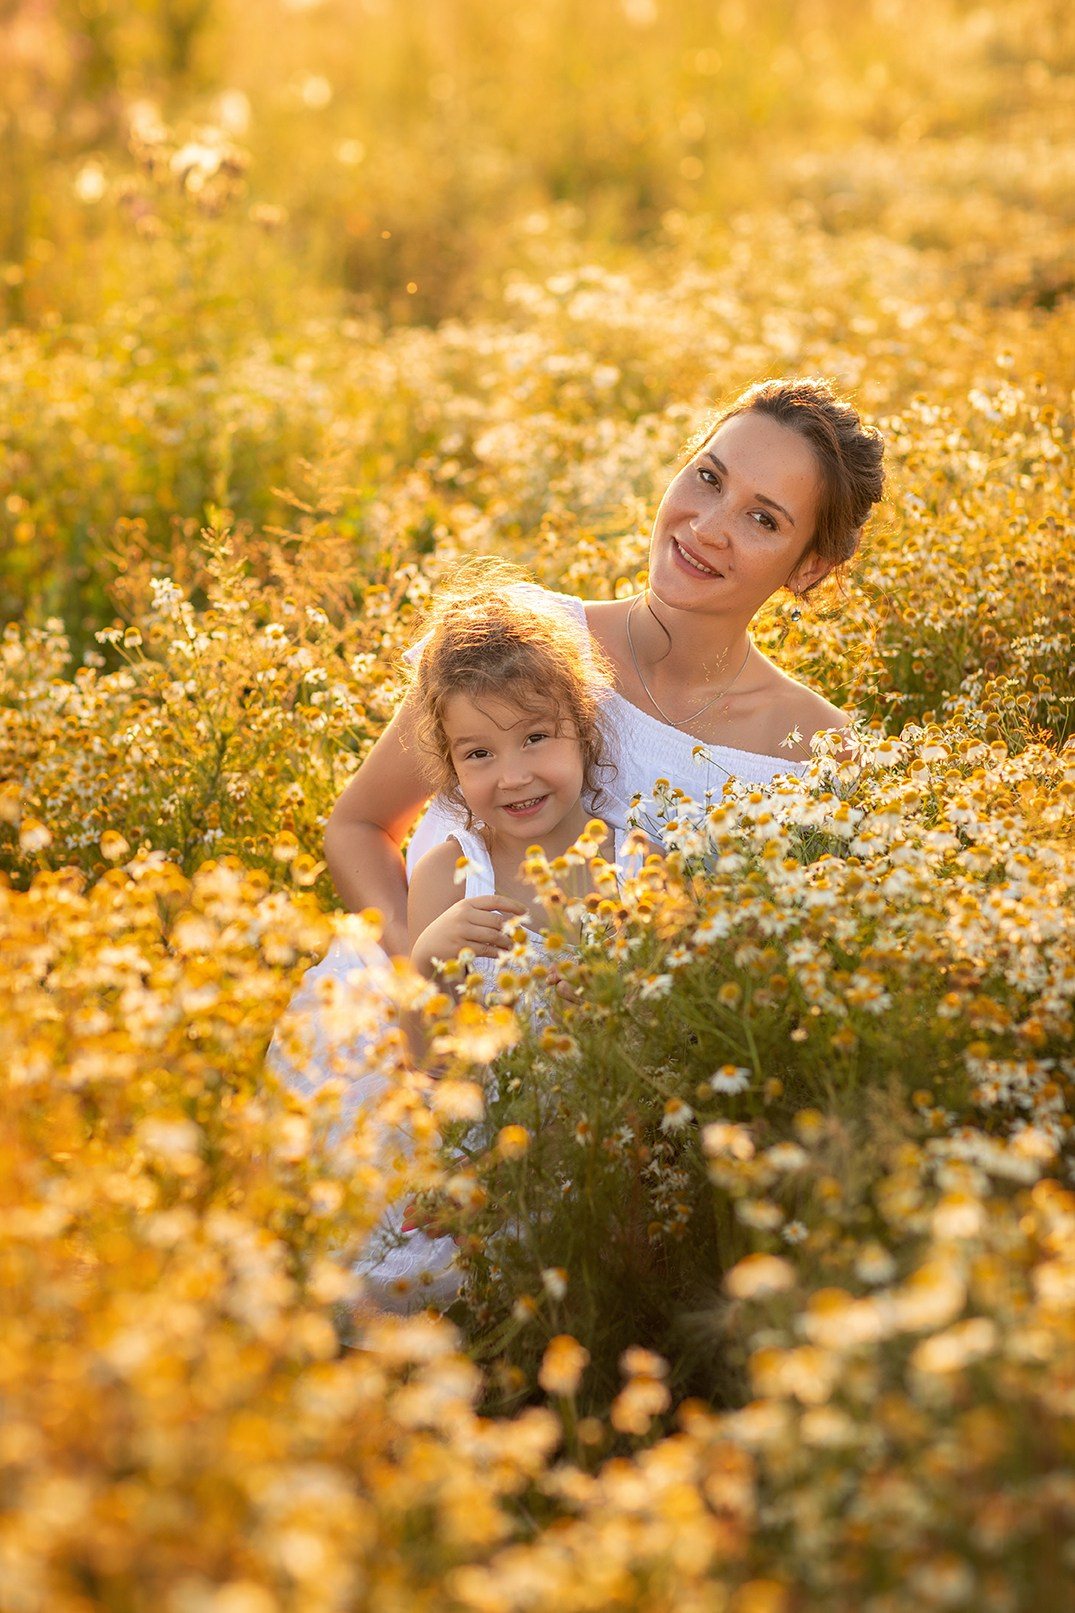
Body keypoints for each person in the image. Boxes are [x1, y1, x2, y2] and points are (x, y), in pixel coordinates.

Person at [325, 376, 886, 947]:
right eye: (709, 478)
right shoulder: (519, 638)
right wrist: (430, 977)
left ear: (809, 568)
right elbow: (358, 827)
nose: (707, 528)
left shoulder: (820, 753)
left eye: (763, 519)